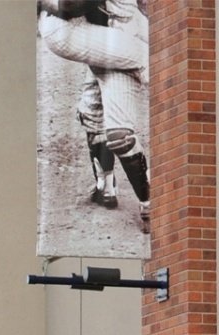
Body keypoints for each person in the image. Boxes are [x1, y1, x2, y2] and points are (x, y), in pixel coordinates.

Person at [39, 0, 152, 232]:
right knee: (101, 113)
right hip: (86, 30)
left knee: (112, 128)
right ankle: (113, 188)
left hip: (121, 31)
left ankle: (128, 195)